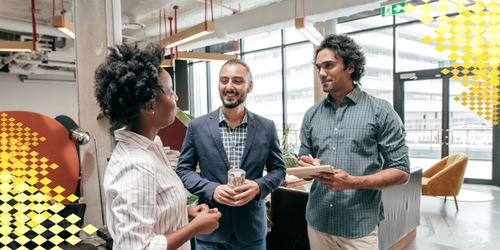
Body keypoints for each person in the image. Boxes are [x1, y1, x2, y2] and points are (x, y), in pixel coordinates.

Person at [94, 43, 221, 250]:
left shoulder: (152, 146)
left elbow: (151, 206)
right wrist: (195, 227)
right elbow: (138, 248)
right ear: (149, 105)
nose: (176, 98)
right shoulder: (135, 165)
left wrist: (186, 213)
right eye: (170, 92)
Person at [297, 34, 410, 250]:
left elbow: (402, 171)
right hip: (318, 222)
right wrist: (306, 166)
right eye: (319, 67)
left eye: (329, 65)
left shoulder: (380, 111)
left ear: (350, 67)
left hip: (359, 227)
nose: (321, 73)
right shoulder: (311, 115)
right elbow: (304, 158)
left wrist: (352, 183)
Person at [176, 58, 286, 250]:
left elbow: (279, 170)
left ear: (249, 86)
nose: (229, 86)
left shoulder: (266, 127)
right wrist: (212, 190)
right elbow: (184, 170)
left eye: (237, 81)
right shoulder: (197, 126)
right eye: (224, 80)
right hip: (210, 230)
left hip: (251, 231)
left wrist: (258, 186)